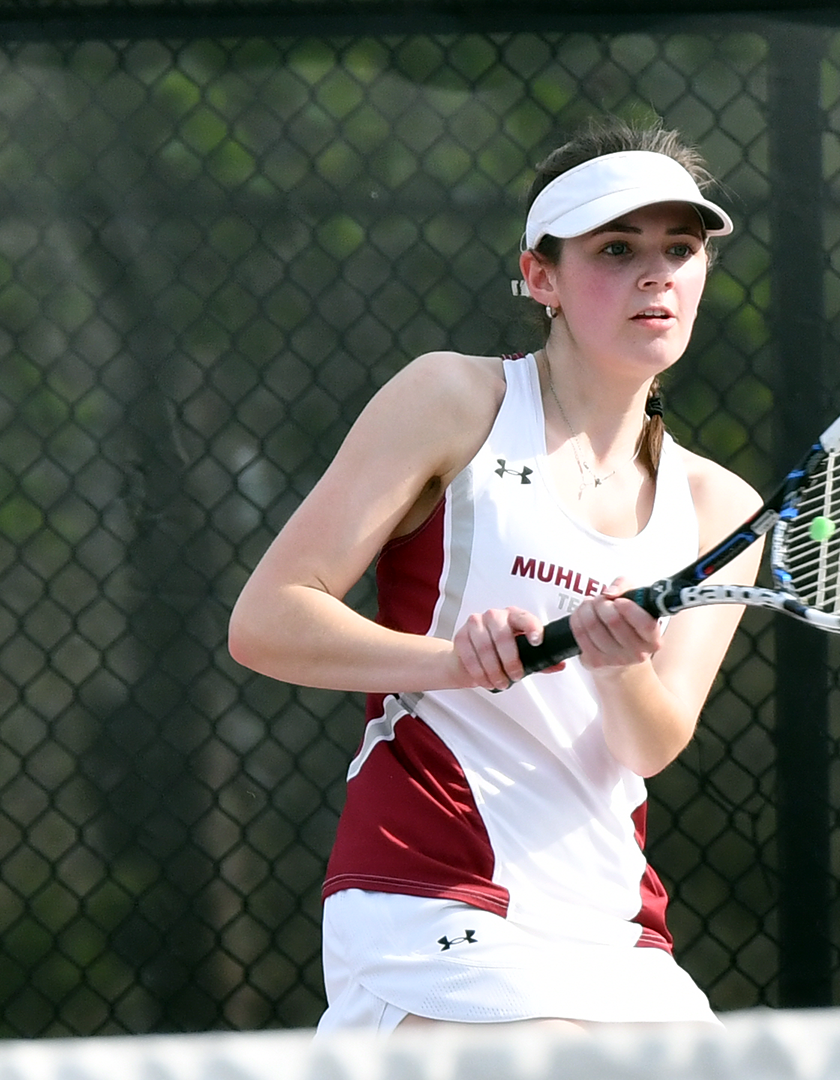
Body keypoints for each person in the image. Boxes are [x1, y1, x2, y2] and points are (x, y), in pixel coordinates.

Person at [227, 118, 762, 1035]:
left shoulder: (720, 508)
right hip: (429, 891)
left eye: (680, 247)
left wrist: (617, 663)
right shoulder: (453, 401)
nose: (655, 273)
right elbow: (269, 620)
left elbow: (648, 746)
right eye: (616, 248)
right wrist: (452, 661)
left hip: (614, 930)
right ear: (540, 276)